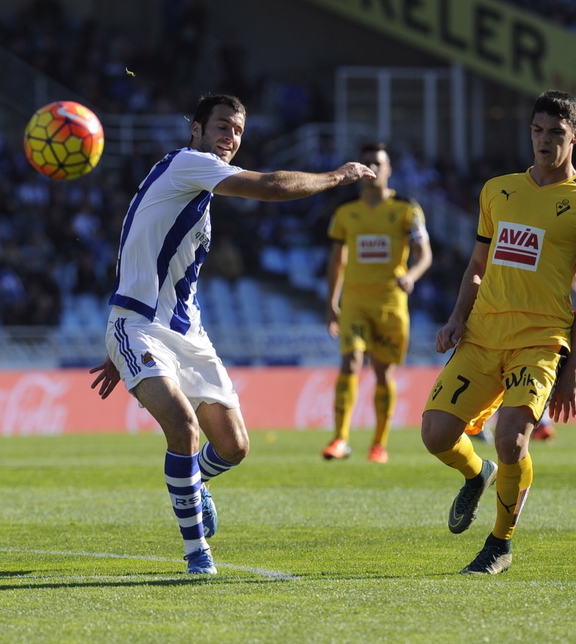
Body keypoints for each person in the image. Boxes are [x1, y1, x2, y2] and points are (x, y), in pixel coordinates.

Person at [89, 94, 375, 575]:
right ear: (196, 130)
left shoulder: (194, 187)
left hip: (187, 333)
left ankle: (196, 482)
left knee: (235, 447)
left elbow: (142, 246)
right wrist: (338, 176)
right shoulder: (188, 164)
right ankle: (196, 553)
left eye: (238, 131)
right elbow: (270, 186)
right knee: (183, 428)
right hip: (137, 325)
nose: (231, 137)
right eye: (222, 126)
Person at [421, 90, 576, 574]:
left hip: (541, 340)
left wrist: (572, 368)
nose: (544, 141)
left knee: (512, 439)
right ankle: (476, 473)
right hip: (482, 335)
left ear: (575, 135)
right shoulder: (498, 190)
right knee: (436, 434)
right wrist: (456, 318)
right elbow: (477, 265)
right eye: (537, 131)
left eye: (555, 132)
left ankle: (499, 545)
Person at [322, 142, 432, 463]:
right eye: (367, 163)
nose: (372, 168)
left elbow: (425, 254)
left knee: (383, 374)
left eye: (378, 163)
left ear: (388, 170)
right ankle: (340, 439)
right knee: (351, 362)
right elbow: (336, 261)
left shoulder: (406, 210)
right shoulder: (345, 214)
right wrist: (331, 302)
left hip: (390, 304)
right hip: (355, 302)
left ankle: (378, 445)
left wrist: (411, 275)